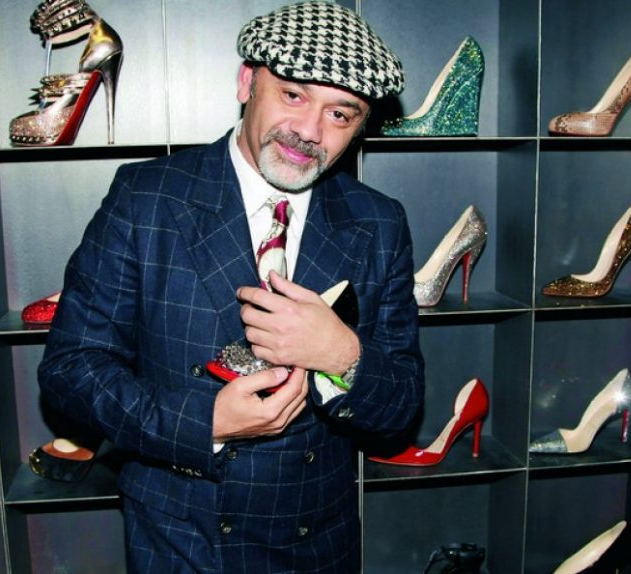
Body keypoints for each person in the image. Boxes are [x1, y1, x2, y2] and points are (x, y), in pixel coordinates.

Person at [38, 2, 424, 571]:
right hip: (181, 541)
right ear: (247, 83)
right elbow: (70, 371)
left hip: (316, 545)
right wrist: (205, 423)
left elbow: (401, 408)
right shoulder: (147, 198)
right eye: (293, 95)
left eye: (340, 114)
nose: (309, 132)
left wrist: (341, 354)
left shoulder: (378, 222)